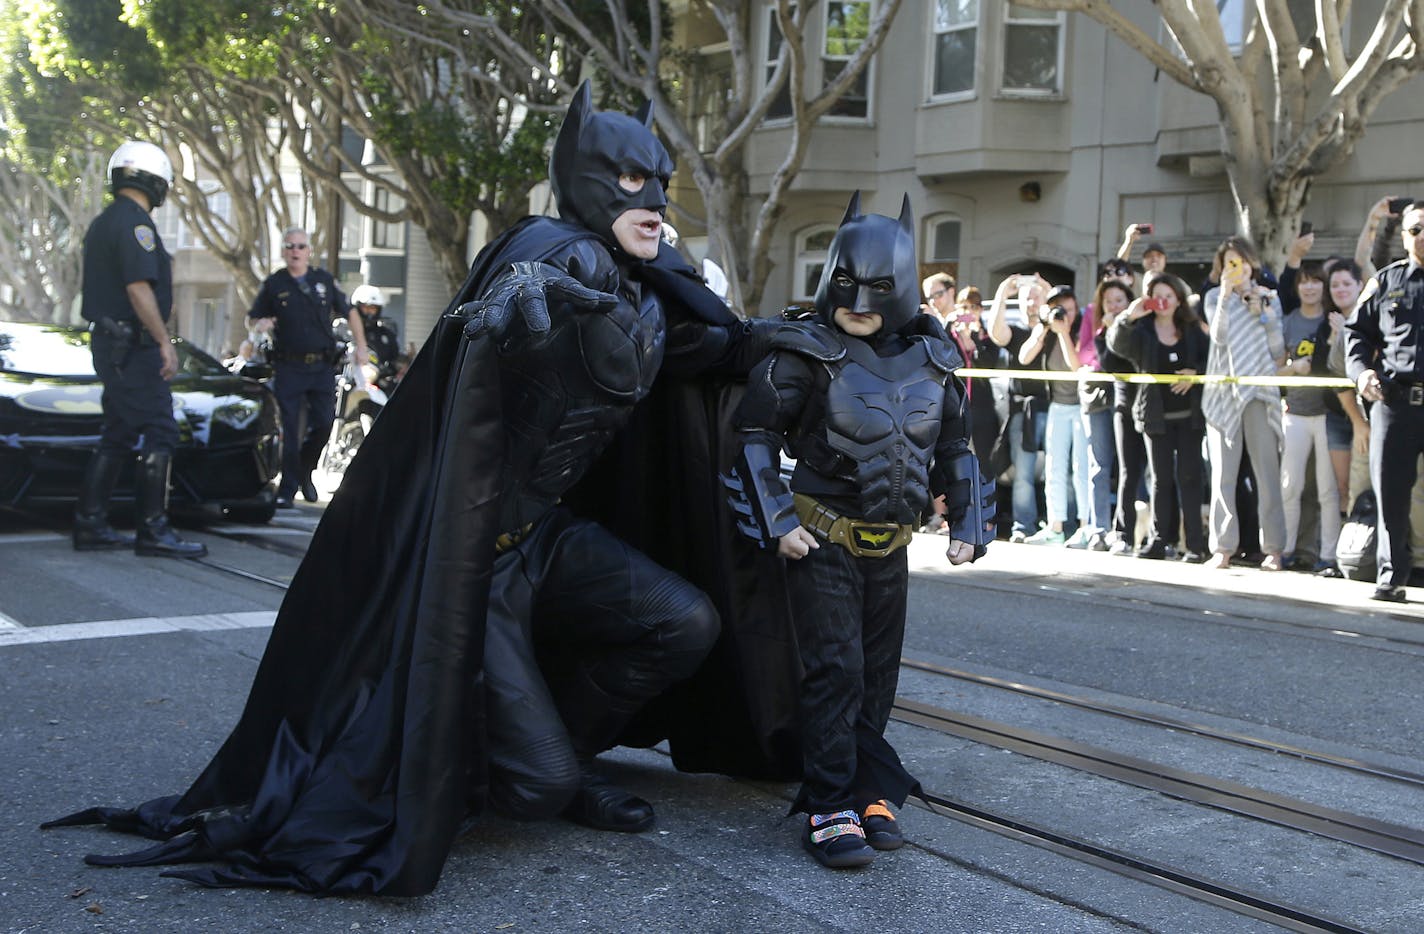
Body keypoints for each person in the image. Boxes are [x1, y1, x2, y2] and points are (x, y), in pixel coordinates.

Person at [45, 81, 781, 896]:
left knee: (684, 621)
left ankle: (560, 757)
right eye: (634, 181)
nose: (655, 200)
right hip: (476, 561)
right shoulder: (550, 249)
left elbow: (705, 350)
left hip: (546, 538)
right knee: (533, 789)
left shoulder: (650, 280)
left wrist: (815, 341)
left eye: (663, 183)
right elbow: (508, 298)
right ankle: (530, 772)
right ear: (587, 178)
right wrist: (513, 303)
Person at [727, 192, 993, 869]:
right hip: (821, 538)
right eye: (847, 283)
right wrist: (777, 518)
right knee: (835, 669)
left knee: (876, 674)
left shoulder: (934, 359)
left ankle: (869, 787)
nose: (860, 299)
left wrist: (967, 517)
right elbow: (754, 434)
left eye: (879, 288)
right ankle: (828, 801)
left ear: (902, 288)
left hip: (892, 545)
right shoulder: (806, 353)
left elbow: (956, 445)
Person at [72, 140, 206, 560]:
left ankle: (91, 523)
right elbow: (138, 288)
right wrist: (165, 342)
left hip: (113, 345)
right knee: (161, 430)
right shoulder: (136, 225)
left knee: (119, 432)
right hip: (132, 347)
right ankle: (154, 530)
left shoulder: (104, 221)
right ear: (154, 179)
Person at [1344, 199, 1424, 602]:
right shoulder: (1387, 281)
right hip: (1395, 401)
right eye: (1415, 230)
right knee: (1390, 491)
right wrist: (1362, 374)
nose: (1423, 236)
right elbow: (1355, 334)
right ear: (1406, 237)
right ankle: (1392, 576)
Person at [1108, 273, 1209, 561]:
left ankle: (1194, 546)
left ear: (1179, 299)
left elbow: (1211, 358)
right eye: (1157, 296)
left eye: (1168, 296)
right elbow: (1118, 346)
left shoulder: (1191, 329)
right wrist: (1129, 315)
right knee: (1160, 479)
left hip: (1189, 417)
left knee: (1190, 477)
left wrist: (1196, 374)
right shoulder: (1142, 330)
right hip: (1155, 417)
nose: (1163, 302)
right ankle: (1159, 540)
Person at [1202, 237, 1287, 571]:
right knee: (1223, 474)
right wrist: (1225, 296)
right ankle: (1222, 548)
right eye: (1229, 263)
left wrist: (1263, 314)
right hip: (1224, 392)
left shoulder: (1269, 298)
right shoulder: (1213, 297)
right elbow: (1219, 337)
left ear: (1252, 264)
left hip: (1260, 394)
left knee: (1267, 473)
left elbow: (1278, 350)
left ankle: (1274, 550)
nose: (1235, 269)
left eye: (1240, 262)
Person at [248, 225, 350, 507]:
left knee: (325, 424)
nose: (295, 251)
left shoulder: (324, 281)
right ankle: (288, 487)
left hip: (322, 366)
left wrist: (362, 347)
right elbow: (253, 318)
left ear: (309, 251)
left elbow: (349, 311)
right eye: (290, 246)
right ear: (283, 251)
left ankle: (306, 471)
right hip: (289, 366)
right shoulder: (274, 284)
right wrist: (261, 324)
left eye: (301, 246)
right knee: (289, 430)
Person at [1278, 263, 1342, 574]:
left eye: (1316, 281)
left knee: (1328, 490)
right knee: (1290, 486)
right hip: (1295, 413)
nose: (1310, 288)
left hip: (1329, 414)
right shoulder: (1288, 322)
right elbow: (1271, 370)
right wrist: (1293, 368)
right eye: (1304, 282)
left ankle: (1329, 555)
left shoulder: (1335, 318)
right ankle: (1284, 550)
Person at [1017, 283, 1091, 546]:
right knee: (1054, 467)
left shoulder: (1083, 326)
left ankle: (1085, 526)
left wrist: (1064, 333)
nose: (1065, 315)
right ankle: (1055, 526)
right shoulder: (1047, 328)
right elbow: (1024, 357)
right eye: (1059, 308)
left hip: (1083, 405)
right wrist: (1044, 327)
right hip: (1058, 405)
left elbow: (1076, 366)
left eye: (1069, 309)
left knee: (1082, 468)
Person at [987, 272, 1050, 541]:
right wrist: (1002, 293)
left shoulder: (1053, 329)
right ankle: (1023, 527)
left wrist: (1048, 290)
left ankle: (1061, 525)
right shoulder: (1015, 332)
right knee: (1022, 474)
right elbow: (995, 333)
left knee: (1061, 471)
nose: (1032, 302)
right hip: (1020, 411)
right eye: (1027, 298)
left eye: (1037, 297)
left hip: (1054, 407)